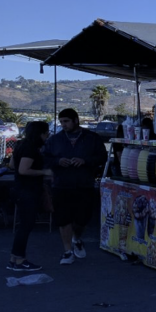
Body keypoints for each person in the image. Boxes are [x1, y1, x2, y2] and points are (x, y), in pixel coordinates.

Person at [43, 108, 108, 265]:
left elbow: (102, 157)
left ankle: (76, 238)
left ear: (76, 120)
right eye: (61, 122)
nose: (63, 125)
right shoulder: (55, 140)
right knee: (63, 219)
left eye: (66, 121)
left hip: (84, 184)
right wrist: (58, 161)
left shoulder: (92, 138)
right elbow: (45, 158)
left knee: (82, 218)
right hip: (61, 184)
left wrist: (85, 161)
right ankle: (67, 251)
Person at [8, 121, 52, 272]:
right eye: (46, 132)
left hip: (19, 189)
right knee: (26, 226)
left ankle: (14, 258)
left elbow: (12, 165)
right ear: (40, 133)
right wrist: (44, 172)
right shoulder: (31, 148)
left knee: (23, 226)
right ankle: (20, 260)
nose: (48, 135)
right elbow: (23, 169)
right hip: (27, 190)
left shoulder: (21, 145)